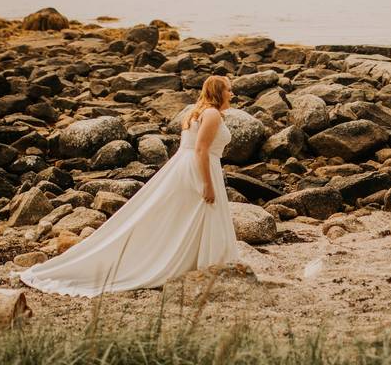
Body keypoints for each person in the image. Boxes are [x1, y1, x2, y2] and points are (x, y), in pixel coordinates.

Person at [19, 75, 239, 296]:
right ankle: (199, 262)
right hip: (199, 169)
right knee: (198, 212)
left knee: (184, 218)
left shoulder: (196, 112)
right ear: (218, 92)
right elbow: (201, 149)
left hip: (186, 166)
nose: (232, 94)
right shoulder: (211, 114)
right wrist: (207, 184)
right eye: (229, 90)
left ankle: (194, 260)